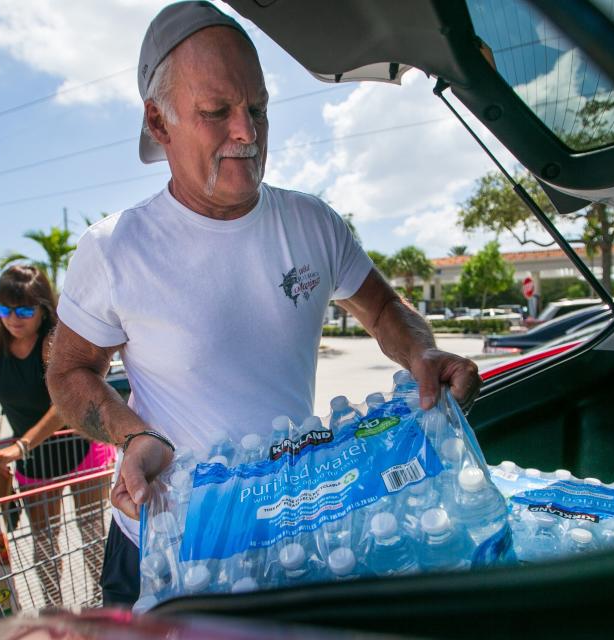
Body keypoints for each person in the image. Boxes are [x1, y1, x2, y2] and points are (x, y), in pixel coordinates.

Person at [46, 1, 481, 606]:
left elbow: (384, 310)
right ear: (158, 120)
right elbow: (69, 371)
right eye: (216, 111)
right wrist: (131, 434)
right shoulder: (115, 249)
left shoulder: (311, 223)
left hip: (292, 533)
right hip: (169, 547)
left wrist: (422, 352)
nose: (246, 132)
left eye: (258, 108)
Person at [0, 264, 115, 607]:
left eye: (23, 310)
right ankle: (54, 610)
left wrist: (21, 445)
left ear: (44, 308)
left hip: (78, 446)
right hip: (34, 459)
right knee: (45, 541)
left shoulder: (54, 341)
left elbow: (63, 405)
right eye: (3, 309)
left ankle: (101, 605)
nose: (12, 318)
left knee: (91, 534)